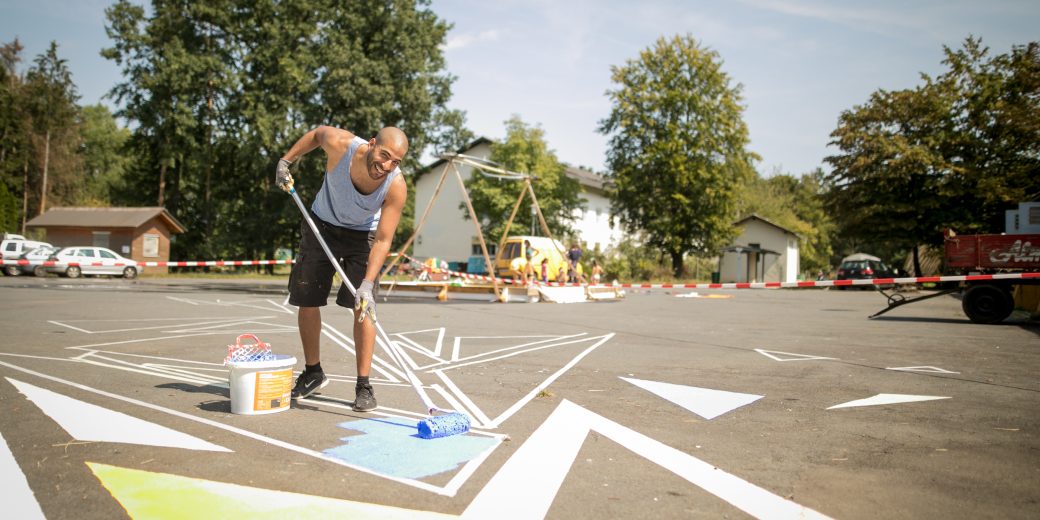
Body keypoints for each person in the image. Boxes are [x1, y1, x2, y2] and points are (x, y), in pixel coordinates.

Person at [276, 125, 408, 413]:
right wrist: (286, 161)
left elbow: (384, 240)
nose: (385, 166)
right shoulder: (342, 146)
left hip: (363, 237)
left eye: (395, 162)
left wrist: (368, 284)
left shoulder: (395, 186)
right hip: (321, 225)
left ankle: (364, 386)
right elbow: (316, 134)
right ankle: (313, 373)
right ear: (372, 144)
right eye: (383, 155)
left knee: (364, 307)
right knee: (307, 299)